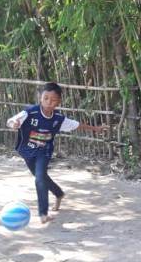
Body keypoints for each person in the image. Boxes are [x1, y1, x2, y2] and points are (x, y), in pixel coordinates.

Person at [7, 82, 105, 224]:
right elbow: (11, 121)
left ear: (58, 102)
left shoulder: (58, 119)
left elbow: (77, 125)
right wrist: (14, 124)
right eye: (46, 98)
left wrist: (95, 129)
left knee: (39, 178)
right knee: (41, 177)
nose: (48, 102)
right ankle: (59, 193)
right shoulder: (30, 112)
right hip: (26, 151)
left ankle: (43, 214)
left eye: (53, 100)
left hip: (44, 152)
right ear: (40, 98)